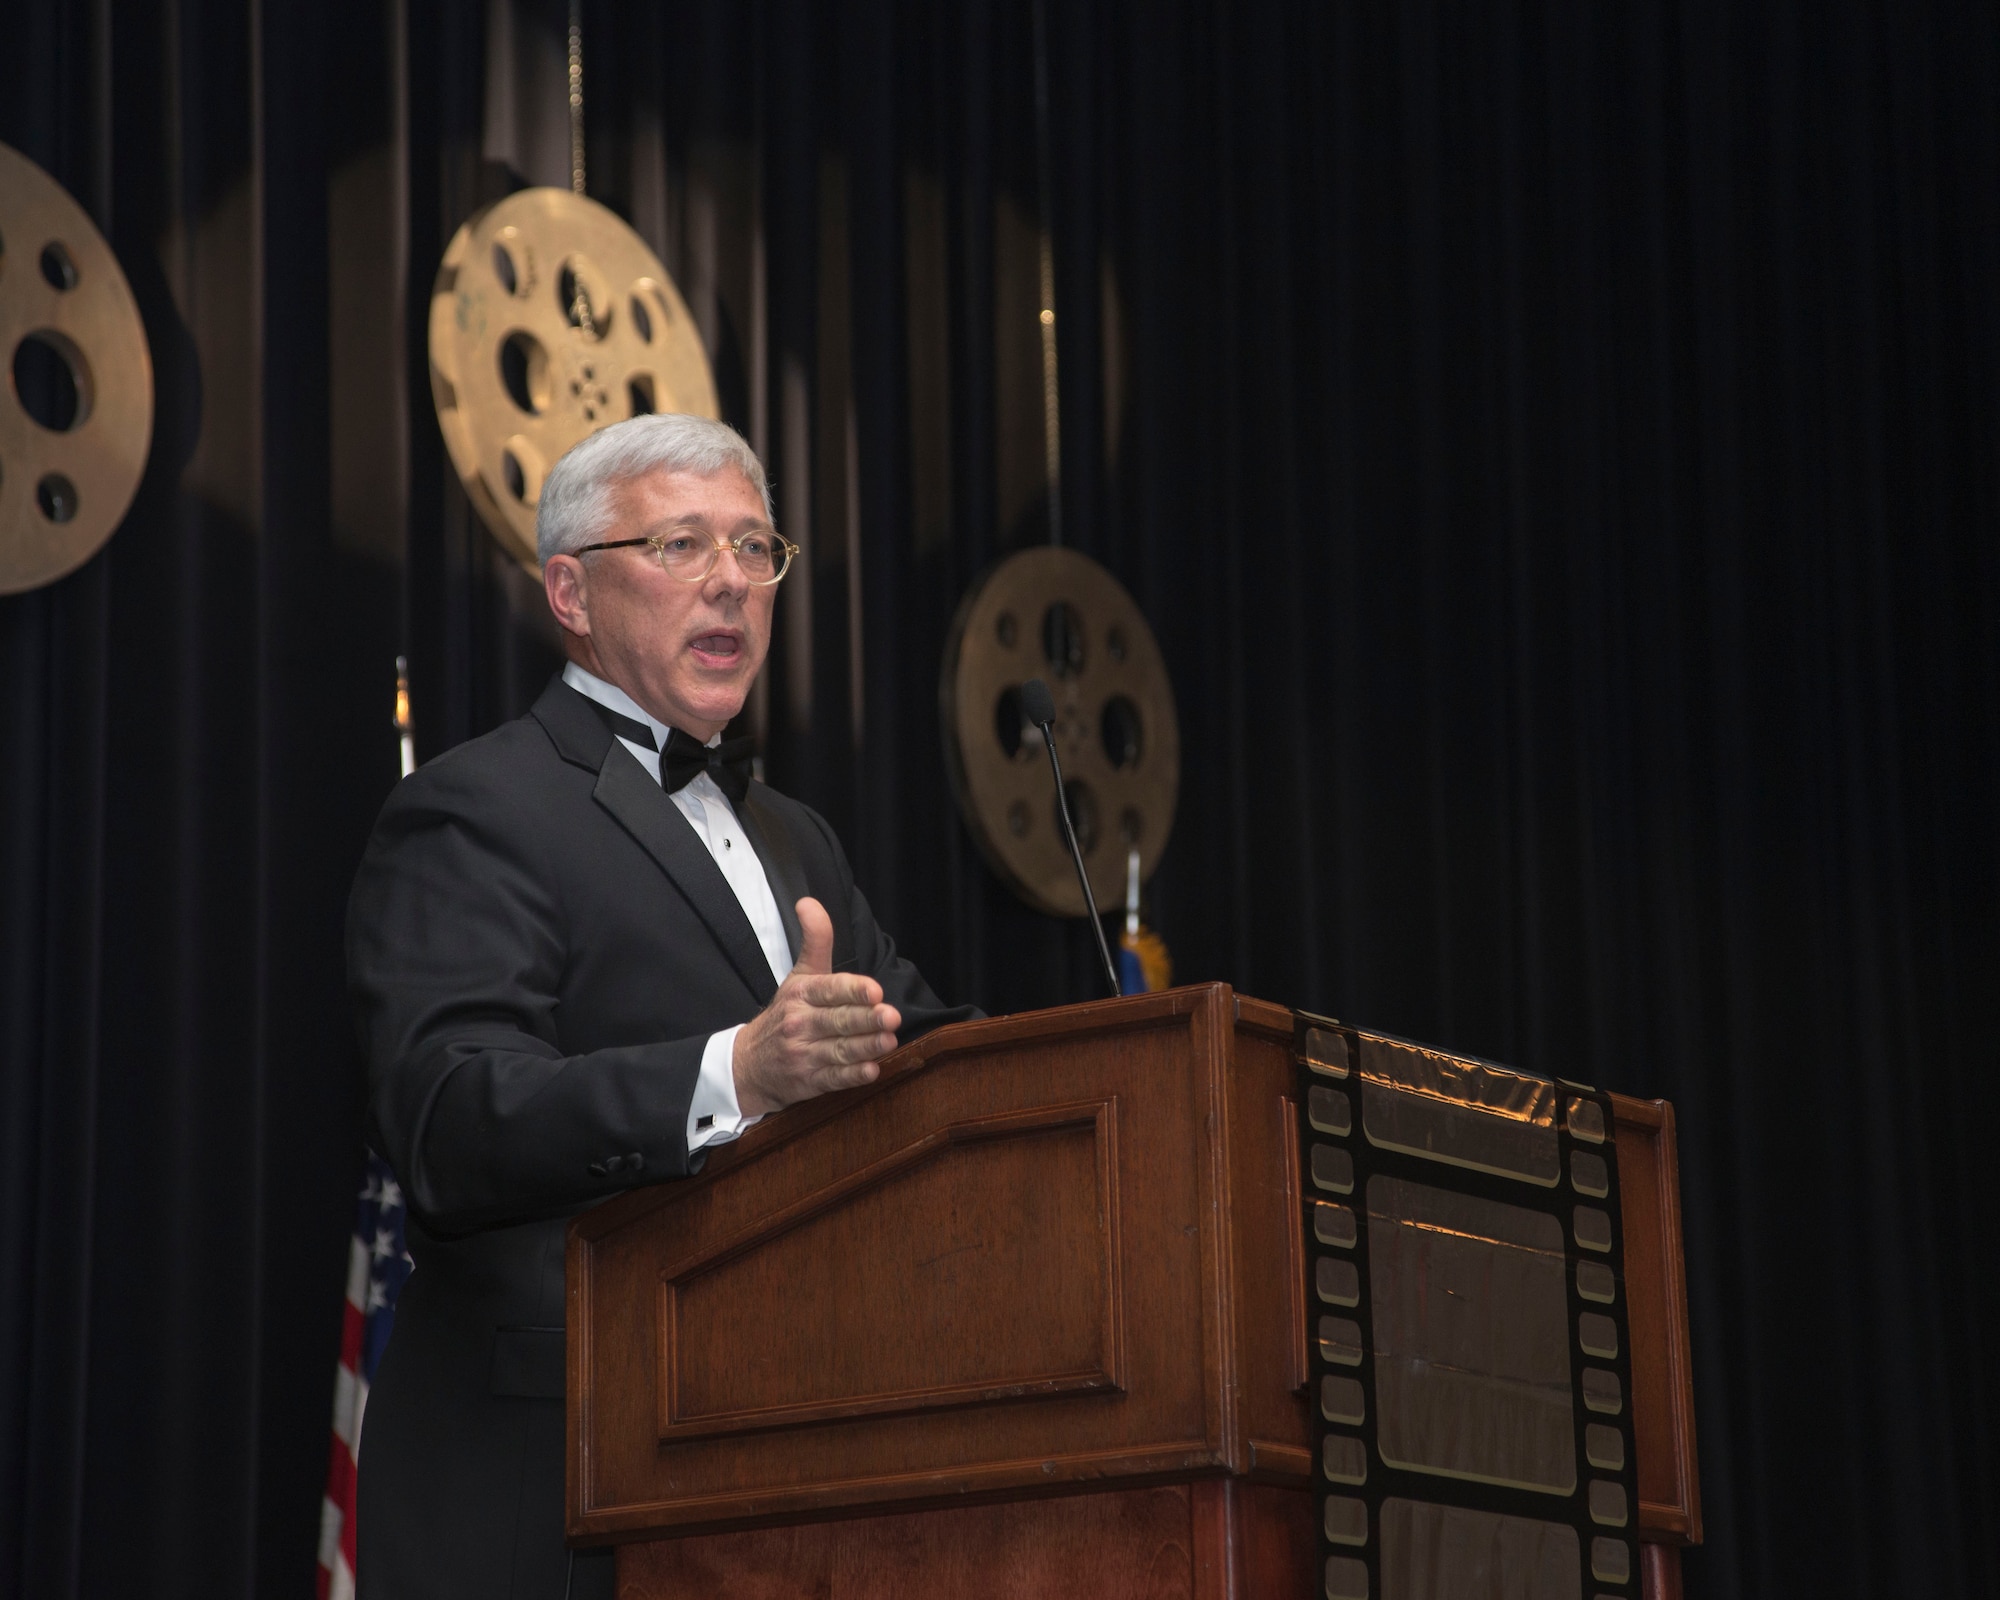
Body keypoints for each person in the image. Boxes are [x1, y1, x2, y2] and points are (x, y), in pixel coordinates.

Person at [345, 413, 976, 1600]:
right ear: (571, 593)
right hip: (548, 1480)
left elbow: (929, 1054)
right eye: (683, 545)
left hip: (776, 1477)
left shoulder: (799, 837)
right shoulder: (474, 808)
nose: (732, 581)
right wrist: (733, 1072)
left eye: (755, 548)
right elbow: (447, 1115)